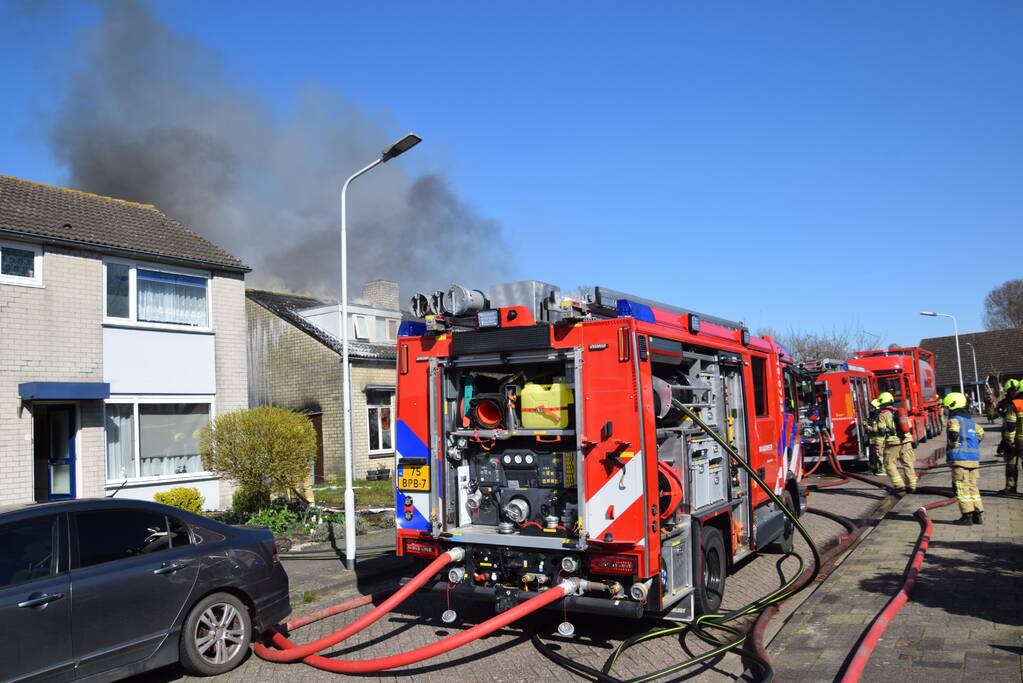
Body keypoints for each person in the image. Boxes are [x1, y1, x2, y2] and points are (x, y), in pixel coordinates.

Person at [944, 392, 985, 525]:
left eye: (947, 407)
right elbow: (980, 433)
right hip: (973, 459)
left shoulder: (954, 420)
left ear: (952, 405)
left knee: (962, 487)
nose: (947, 410)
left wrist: (953, 446)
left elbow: (953, 434)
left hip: (960, 459)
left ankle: (966, 516)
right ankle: (978, 514)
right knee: (973, 487)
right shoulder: (971, 421)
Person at [877, 391, 917, 493]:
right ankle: (912, 486)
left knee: (889, 463)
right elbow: (910, 426)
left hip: (893, 443)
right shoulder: (900, 411)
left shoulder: (882, 414)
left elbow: (881, 430)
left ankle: (899, 485)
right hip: (906, 440)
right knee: (908, 463)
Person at [998, 379, 1022, 494]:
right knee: (1011, 464)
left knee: (1011, 464)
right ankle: (1010, 487)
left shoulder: (1015, 404)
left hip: (1014, 439)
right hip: (1015, 439)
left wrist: (1007, 442)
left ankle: (1011, 487)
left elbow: (1011, 426)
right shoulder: (1008, 403)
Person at [866, 398, 885, 475]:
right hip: (872, 440)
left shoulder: (879, 417)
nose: (871, 409)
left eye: (873, 407)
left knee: (879, 455)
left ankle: (882, 470)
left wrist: (869, 427)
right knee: (872, 456)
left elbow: (876, 428)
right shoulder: (871, 417)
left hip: (878, 439)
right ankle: (873, 469)